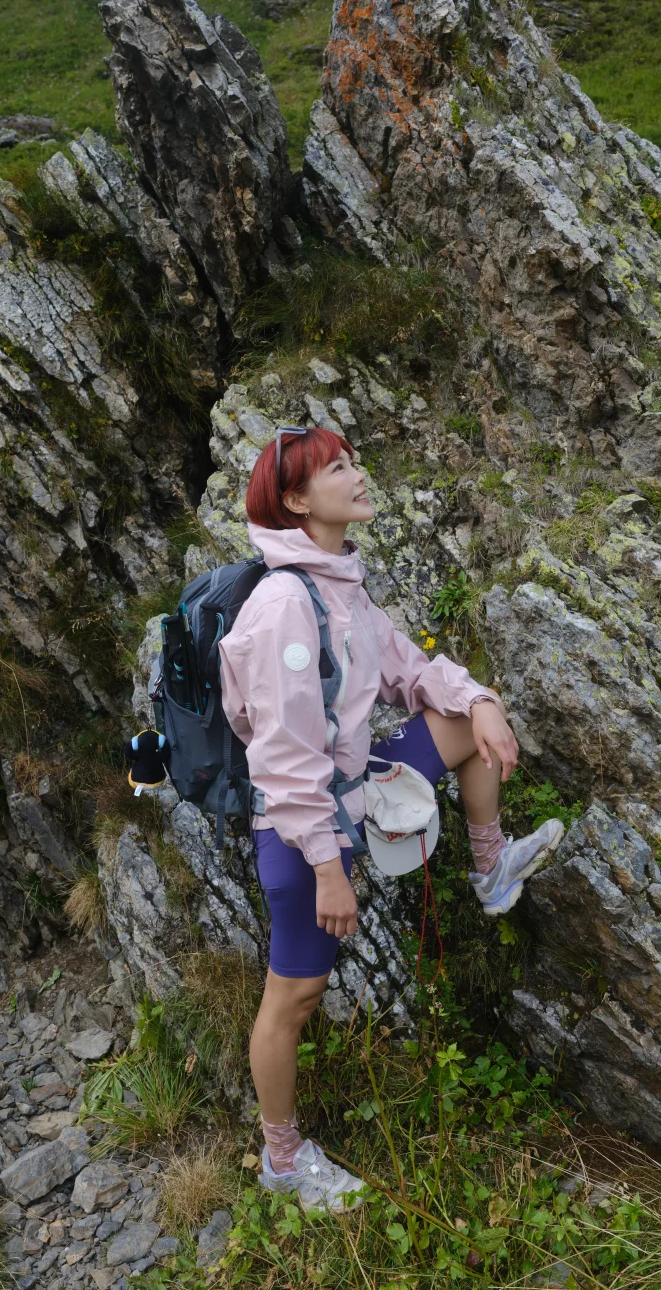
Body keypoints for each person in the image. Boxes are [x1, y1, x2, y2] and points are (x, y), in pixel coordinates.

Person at [218, 426, 565, 1213]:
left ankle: (490, 867)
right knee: (295, 998)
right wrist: (332, 869)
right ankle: (281, 1156)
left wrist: (480, 702)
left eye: (351, 460)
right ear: (299, 501)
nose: (358, 474)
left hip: (350, 791)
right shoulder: (283, 609)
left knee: (466, 719)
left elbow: (411, 670)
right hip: (300, 832)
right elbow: (284, 761)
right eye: (337, 469)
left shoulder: (341, 585)